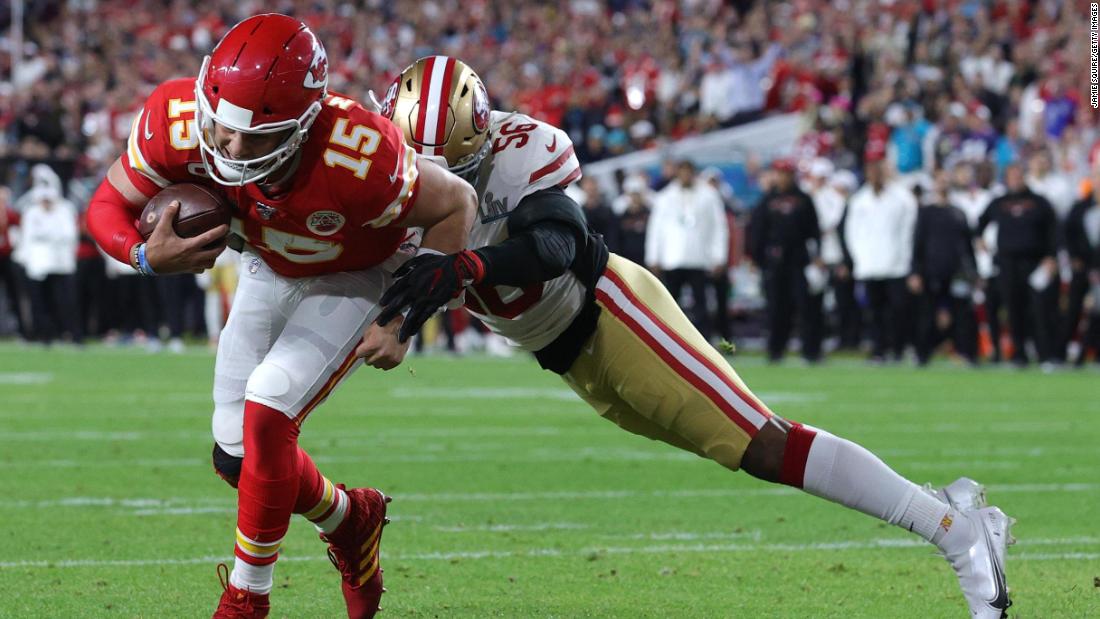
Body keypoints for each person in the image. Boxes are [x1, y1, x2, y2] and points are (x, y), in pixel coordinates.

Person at [379, 56, 1012, 619]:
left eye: (460, 169)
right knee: (743, 447)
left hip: (611, 313)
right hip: (567, 355)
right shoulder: (387, 171)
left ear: (484, 137)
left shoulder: (521, 150)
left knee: (764, 444)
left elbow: (557, 244)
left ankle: (955, 532)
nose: (448, 188)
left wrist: (468, 265)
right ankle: (948, 510)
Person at [86, 15, 477, 618]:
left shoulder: (360, 153)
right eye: (222, 129)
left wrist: (408, 313)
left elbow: (457, 203)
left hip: (360, 270)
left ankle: (247, 599)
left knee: (269, 405)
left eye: (259, 137)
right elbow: (108, 204)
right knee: (234, 457)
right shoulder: (177, 121)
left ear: (304, 123)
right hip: (270, 265)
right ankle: (351, 519)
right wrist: (141, 254)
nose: (233, 149)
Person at [977, 164, 1059, 368]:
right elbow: (980, 223)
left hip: (1034, 263)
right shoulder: (999, 202)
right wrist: (979, 239)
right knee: (1013, 310)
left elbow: (1054, 231)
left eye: (1019, 175)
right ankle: (1018, 355)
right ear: (1006, 179)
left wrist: (1051, 257)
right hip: (1007, 263)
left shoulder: (1039, 202)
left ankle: (1045, 355)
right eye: (1012, 176)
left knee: (1040, 310)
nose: (1016, 179)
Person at [746, 159, 823, 362]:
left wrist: (816, 257)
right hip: (773, 262)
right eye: (780, 173)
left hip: (798, 261)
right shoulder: (767, 200)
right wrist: (756, 258)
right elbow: (757, 231)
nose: (783, 178)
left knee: (805, 307)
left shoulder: (804, 199)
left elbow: (814, 232)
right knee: (775, 308)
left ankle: (811, 352)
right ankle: (775, 351)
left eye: (786, 173)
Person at [645, 159, 728, 342]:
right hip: (672, 258)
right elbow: (656, 229)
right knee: (670, 304)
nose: (685, 175)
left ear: (693, 172)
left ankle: (704, 344)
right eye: (681, 171)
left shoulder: (709, 196)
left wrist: (719, 257)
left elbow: (719, 227)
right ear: (677, 173)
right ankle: (667, 341)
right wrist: (653, 257)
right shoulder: (665, 197)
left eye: (688, 171)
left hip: (699, 257)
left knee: (701, 305)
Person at [844, 160, 918, 362]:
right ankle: (879, 349)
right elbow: (852, 233)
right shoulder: (859, 200)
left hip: (896, 264)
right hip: (869, 265)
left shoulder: (902, 198)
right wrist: (859, 258)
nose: (875, 175)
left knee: (897, 309)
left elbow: (909, 231)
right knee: (874, 311)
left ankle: (898, 348)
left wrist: (906, 259)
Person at [910, 173, 979, 365]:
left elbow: (967, 245)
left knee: (963, 313)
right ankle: (923, 353)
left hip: (956, 272)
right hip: (931, 271)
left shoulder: (958, 212)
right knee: (927, 314)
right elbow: (918, 243)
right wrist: (915, 271)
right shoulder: (926, 212)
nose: (943, 185)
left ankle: (966, 352)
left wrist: (973, 271)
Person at [19, 186, 82, 345]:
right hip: (39, 264)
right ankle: (45, 335)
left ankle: (72, 334)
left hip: (61, 264)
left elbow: (69, 235)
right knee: (40, 302)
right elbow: (27, 237)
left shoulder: (64, 210)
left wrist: (46, 235)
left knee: (66, 301)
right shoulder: (32, 212)